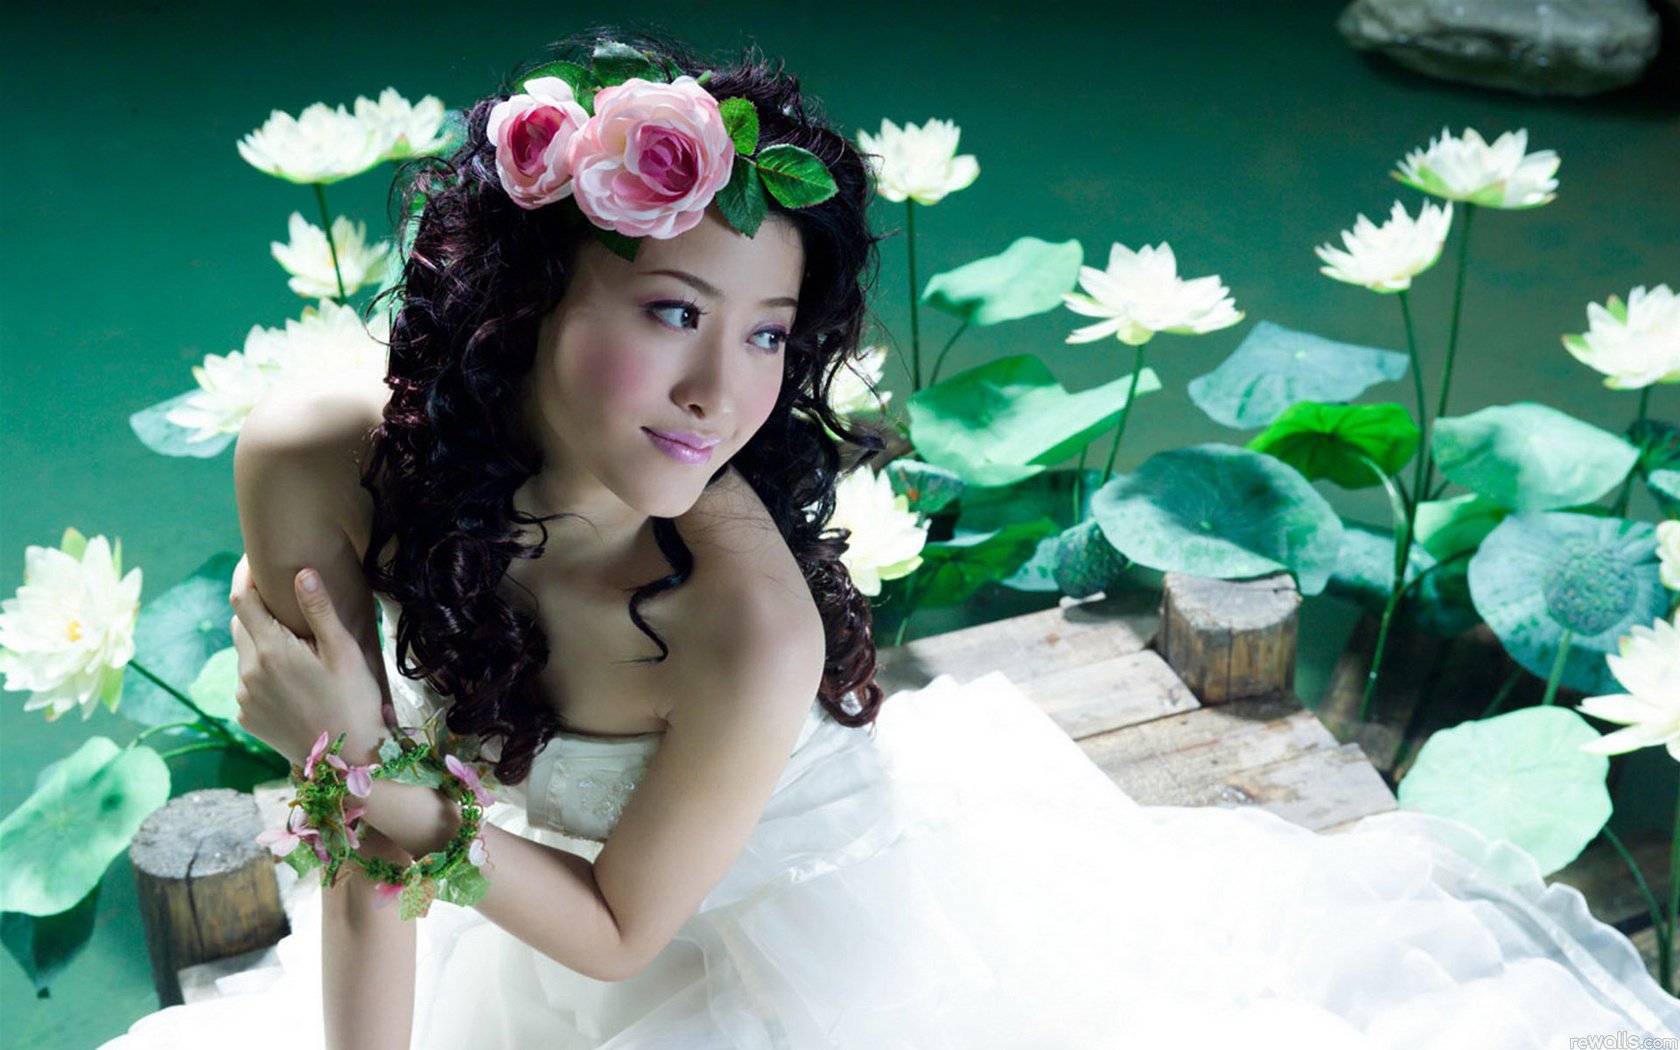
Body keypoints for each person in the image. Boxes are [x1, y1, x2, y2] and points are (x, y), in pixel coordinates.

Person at [99, 28, 1679, 1050]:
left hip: (794, 954)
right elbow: (362, 835)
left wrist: (358, 768)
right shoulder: (322, 461)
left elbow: (603, 919)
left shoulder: (744, 613)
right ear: (523, 302)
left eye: (773, 333)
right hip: (494, 919)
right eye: (670, 312)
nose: (727, 391)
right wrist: (356, 788)